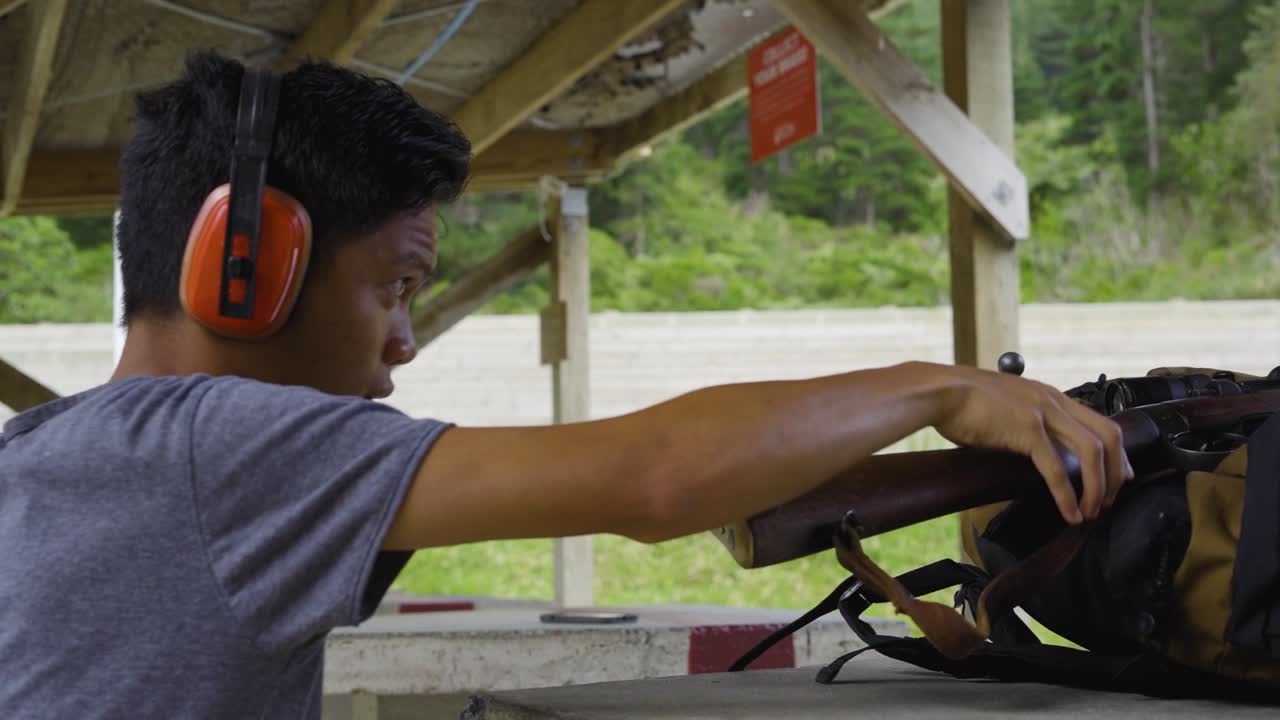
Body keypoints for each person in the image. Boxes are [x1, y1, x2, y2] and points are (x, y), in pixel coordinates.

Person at [0, 50, 1131, 719]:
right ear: (248, 267)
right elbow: (652, 479)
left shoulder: (47, 454)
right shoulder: (222, 443)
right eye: (396, 286)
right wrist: (937, 389)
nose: (401, 343)